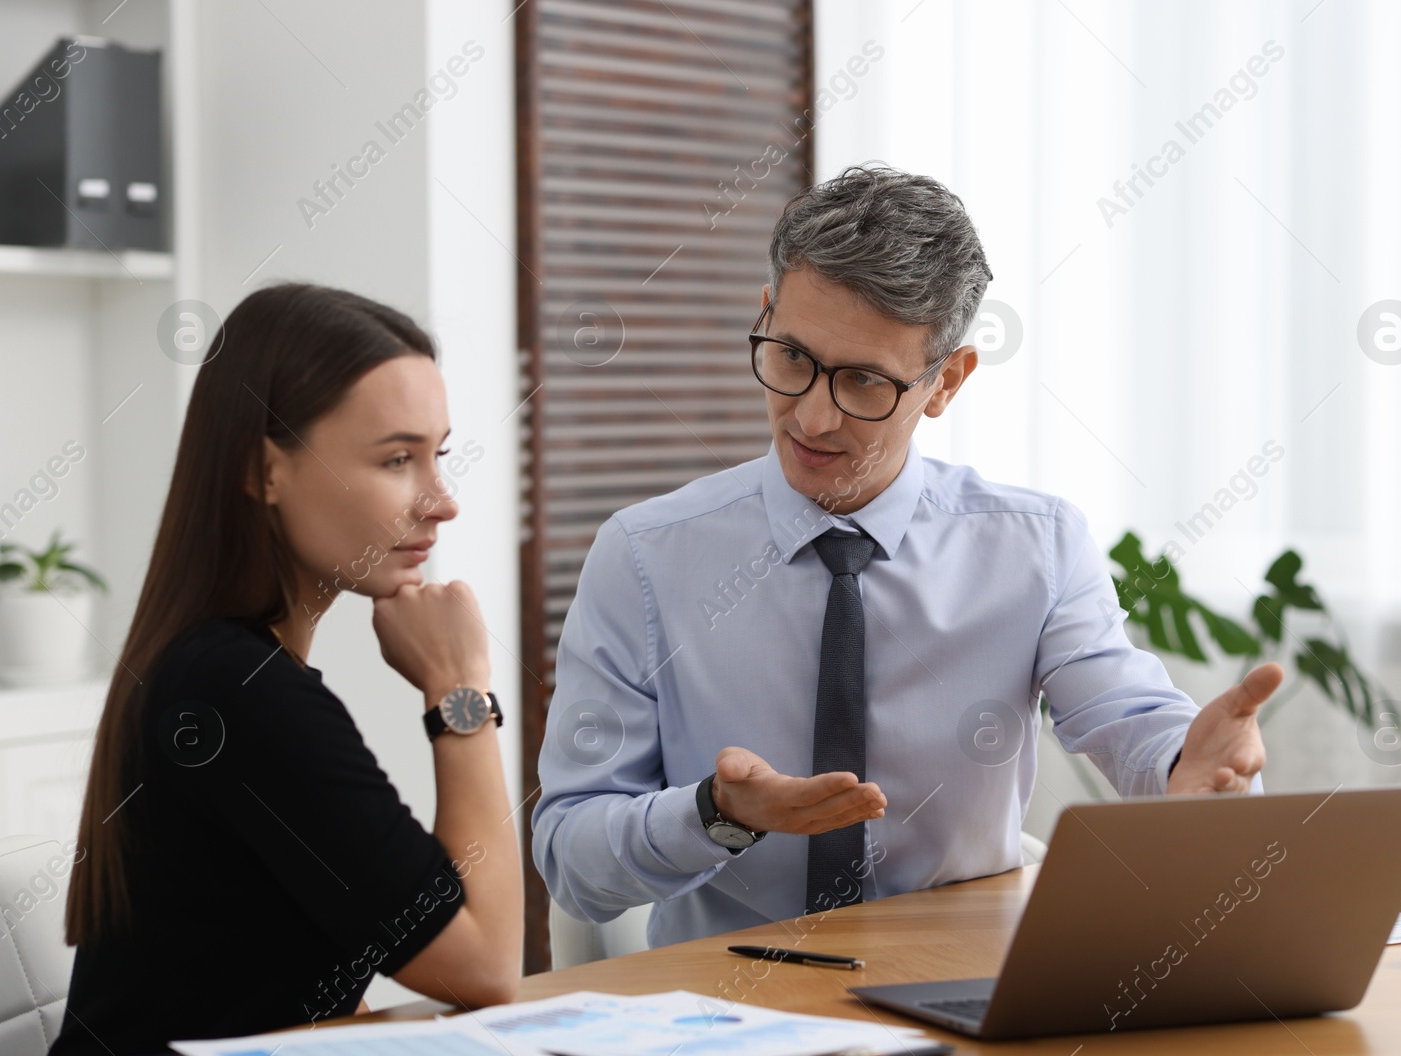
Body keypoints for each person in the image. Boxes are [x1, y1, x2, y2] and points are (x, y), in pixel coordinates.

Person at [533, 163, 1279, 949]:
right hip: (727, 1015)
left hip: (963, 996)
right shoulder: (646, 558)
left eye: (862, 381)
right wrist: (715, 815)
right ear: (765, 315)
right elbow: (573, 863)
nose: (813, 417)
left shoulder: (1036, 548)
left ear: (946, 382)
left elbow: (1133, 725)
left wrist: (1190, 774)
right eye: (790, 357)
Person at [47, 284, 521, 1056]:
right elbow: (487, 963)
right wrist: (459, 688)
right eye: (398, 458)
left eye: (438, 454)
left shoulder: (221, 669)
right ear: (262, 470)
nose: (443, 501)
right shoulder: (239, 693)